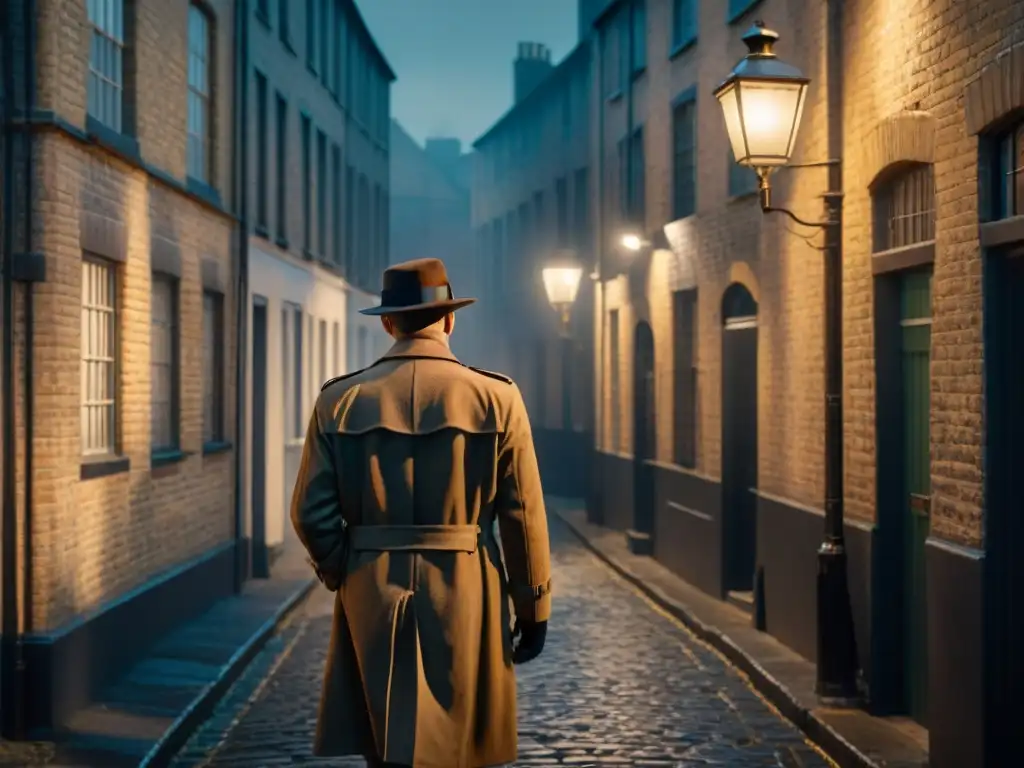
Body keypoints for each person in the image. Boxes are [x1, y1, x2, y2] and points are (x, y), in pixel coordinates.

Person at [290, 258, 552, 768]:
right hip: (468, 588)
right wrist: (532, 607)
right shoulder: (496, 398)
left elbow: (311, 511)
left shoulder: (339, 400)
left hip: (371, 584)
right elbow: (523, 516)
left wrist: (346, 566)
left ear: (388, 322)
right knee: (458, 746)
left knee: (386, 739)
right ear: (450, 319)